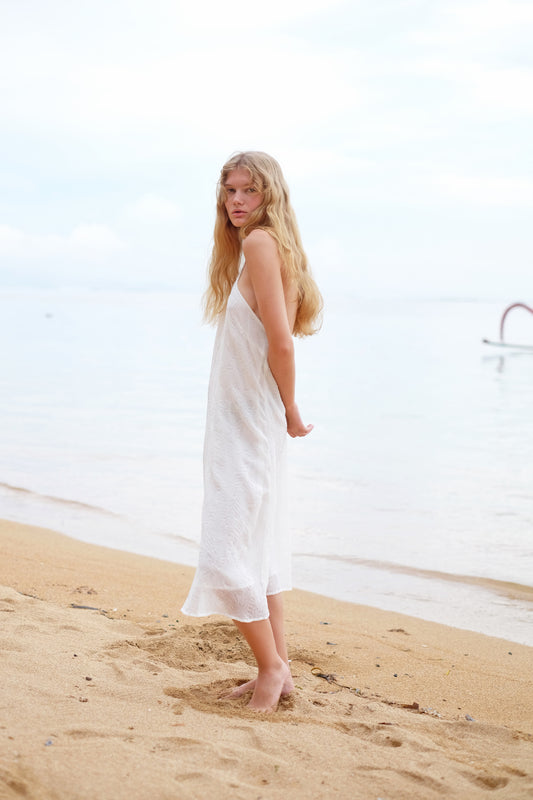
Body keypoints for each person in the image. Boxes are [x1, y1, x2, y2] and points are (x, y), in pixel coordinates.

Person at [181, 151, 322, 712]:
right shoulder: (263, 247)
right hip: (244, 418)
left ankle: (270, 667)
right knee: (259, 553)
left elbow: (281, 342)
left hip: (251, 421)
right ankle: (279, 673)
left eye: (249, 192)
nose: (236, 201)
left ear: (270, 197)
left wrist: (290, 409)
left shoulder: (262, 245)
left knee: (223, 554)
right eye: (230, 190)